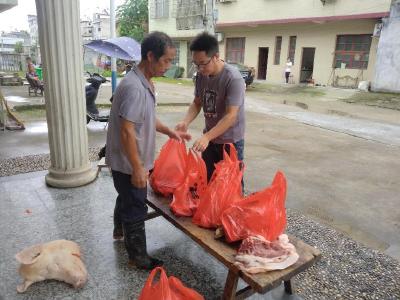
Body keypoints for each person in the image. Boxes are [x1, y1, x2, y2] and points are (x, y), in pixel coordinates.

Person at [105, 31, 190, 270]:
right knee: (136, 205)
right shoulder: (134, 87)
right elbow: (127, 131)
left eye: (171, 61)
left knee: (126, 196)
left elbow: (148, 118)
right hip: (128, 161)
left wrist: (171, 132)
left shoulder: (145, 82)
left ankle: (118, 230)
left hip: (127, 160)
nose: (169, 66)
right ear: (151, 56)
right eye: (166, 60)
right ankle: (138, 257)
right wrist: (138, 167)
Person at [175, 32, 245, 188]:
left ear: (216, 56)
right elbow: (197, 103)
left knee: (231, 187)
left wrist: (206, 137)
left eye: (203, 63)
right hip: (210, 140)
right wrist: (185, 122)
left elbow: (231, 116)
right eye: (195, 64)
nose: (199, 68)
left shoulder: (233, 79)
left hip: (230, 142)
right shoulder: (201, 76)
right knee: (208, 182)